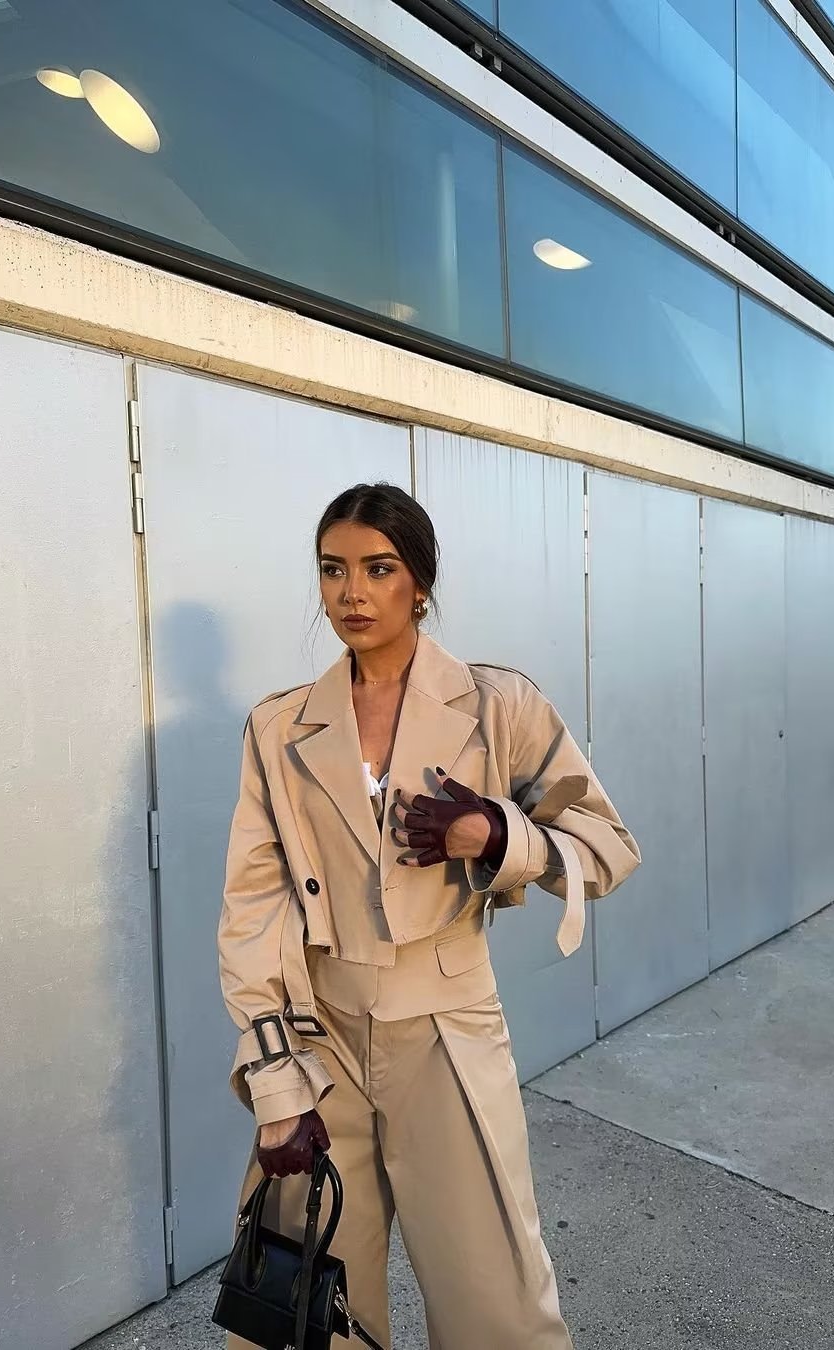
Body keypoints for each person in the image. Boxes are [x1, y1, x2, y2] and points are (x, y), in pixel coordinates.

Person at [218, 482, 639, 1349]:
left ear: (420, 582)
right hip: (318, 1034)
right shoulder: (277, 727)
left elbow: (607, 846)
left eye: (379, 569)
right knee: (300, 1301)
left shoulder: (495, 706)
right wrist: (274, 1084)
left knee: (497, 1301)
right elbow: (252, 905)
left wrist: (497, 834)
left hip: (449, 1023)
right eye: (333, 570)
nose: (352, 593)